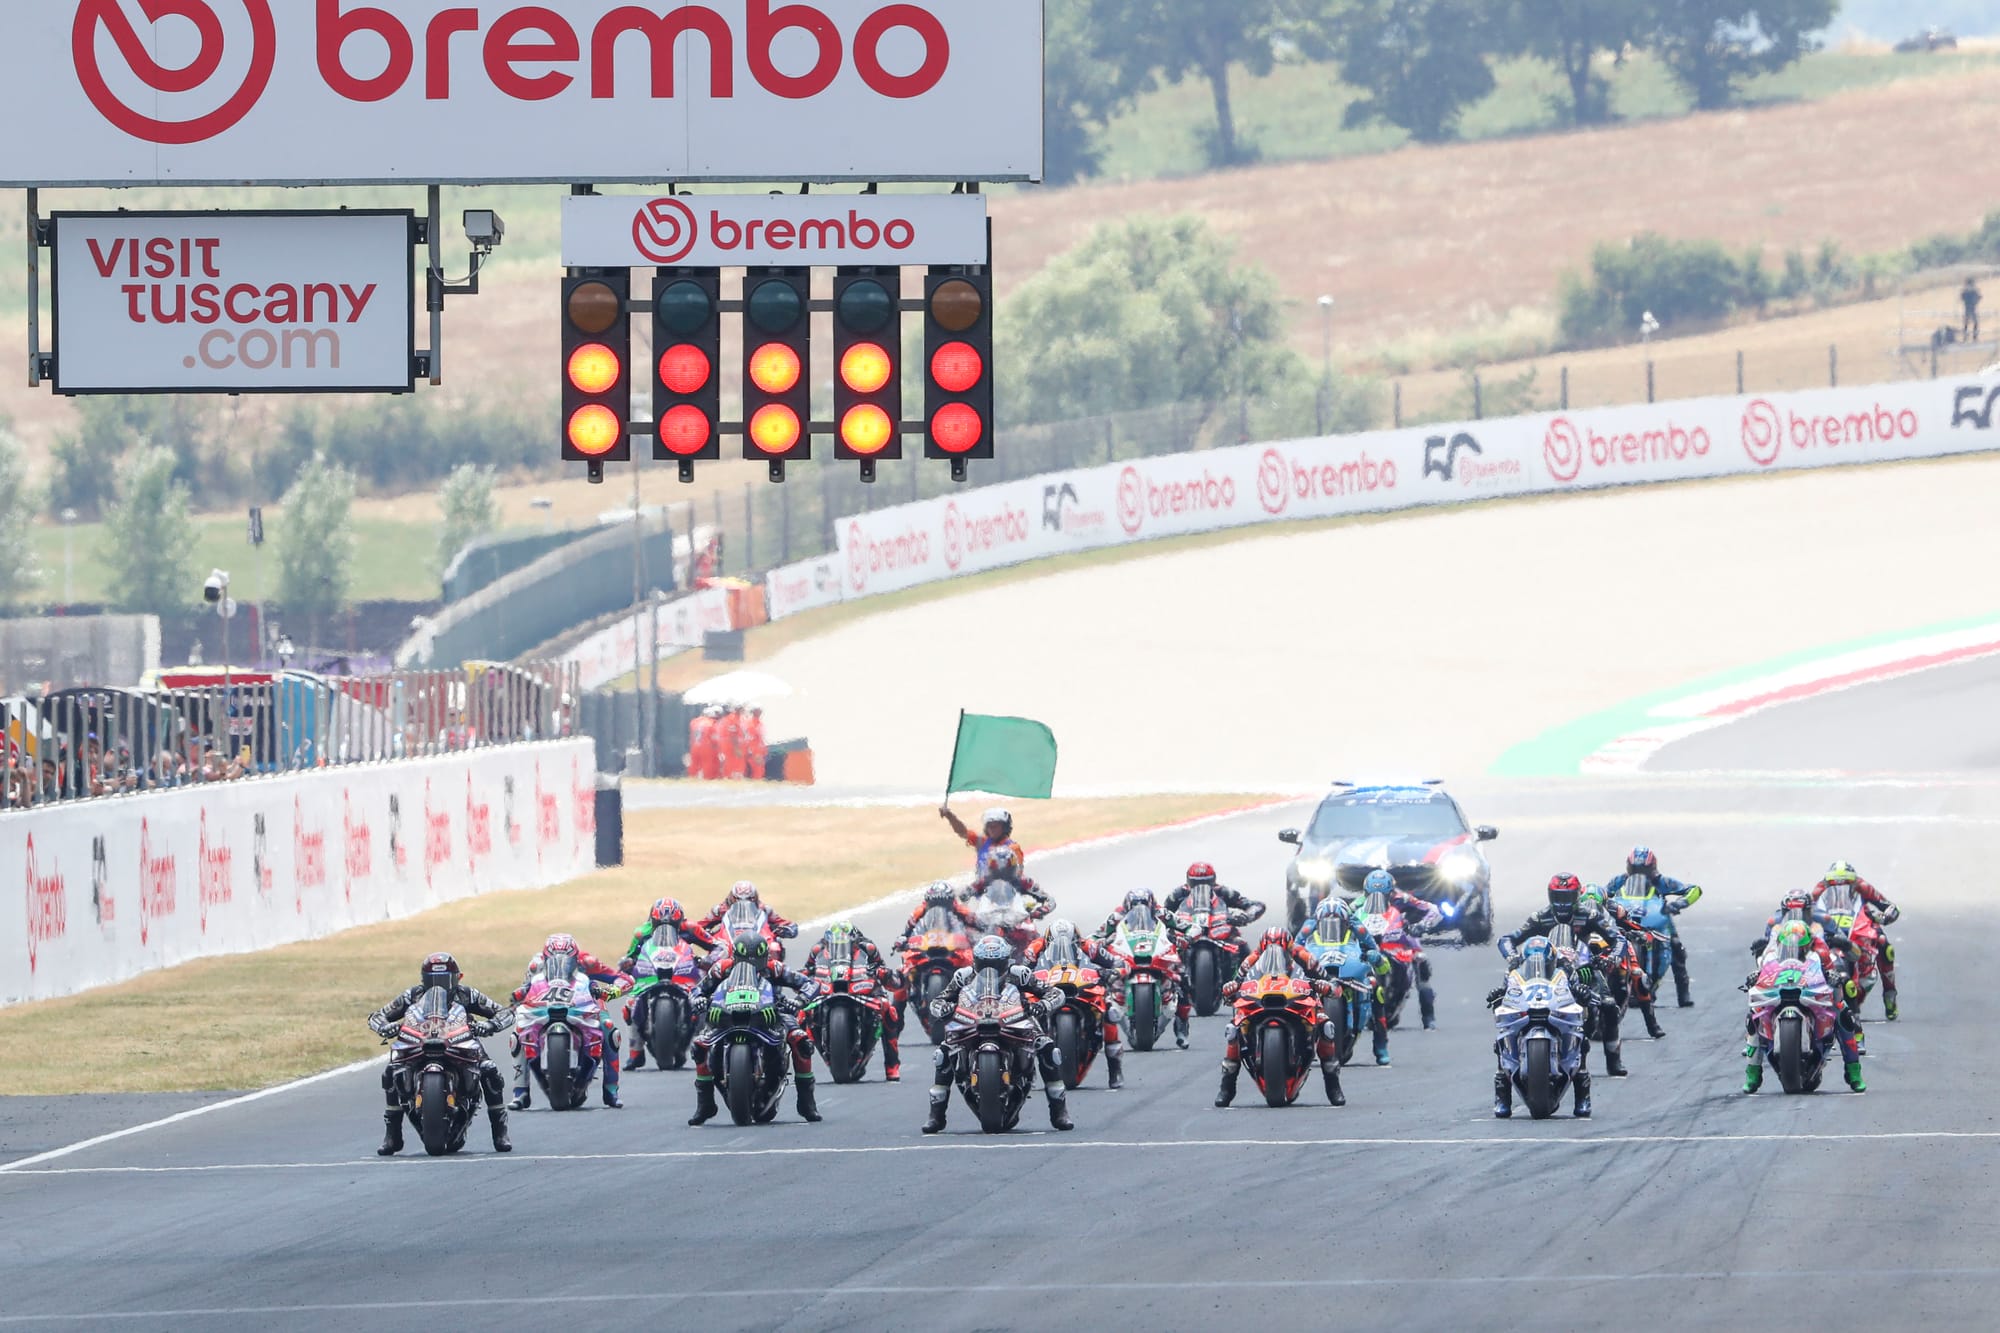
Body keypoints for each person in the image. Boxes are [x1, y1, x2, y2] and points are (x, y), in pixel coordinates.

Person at [923, 936, 1075, 1133]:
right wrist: (944, 1008)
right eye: (985, 963)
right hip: (973, 1020)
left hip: (1016, 1019)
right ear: (976, 960)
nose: (990, 968)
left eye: (995, 963)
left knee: (1047, 1048)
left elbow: (1055, 993)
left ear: (1006, 961)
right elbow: (938, 1000)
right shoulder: (963, 976)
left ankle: (1059, 1111)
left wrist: (1041, 1005)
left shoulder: (1020, 975)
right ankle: (936, 1115)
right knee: (943, 1053)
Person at [368, 953, 514, 1155]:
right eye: (432, 979)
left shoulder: (468, 995)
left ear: (457, 978)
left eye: (444, 979)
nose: (438, 984)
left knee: (489, 1070)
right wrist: (386, 1027)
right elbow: (378, 1015)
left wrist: (489, 1025)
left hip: (461, 1041)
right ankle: (392, 1135)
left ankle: (499, 1132)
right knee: (391, 1071)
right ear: (423, 979)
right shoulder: (413, 995)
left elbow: (504, 1012)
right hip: (421, 1041)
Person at [687, 935, 825, 1124]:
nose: (751, 964)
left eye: (756, 960)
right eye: (745, 959)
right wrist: (699, 1000)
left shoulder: (775, 968)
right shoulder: (721, 969)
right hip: (728, 1014)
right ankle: (705, 1104)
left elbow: (810, 984)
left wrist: (799, 1001)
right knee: (699, 1046)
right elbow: (696, 989)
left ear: (765, 957)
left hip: (770, 1013)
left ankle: (806, 1103)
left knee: (801, 1041)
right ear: (735, 957)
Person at [1215, 928, 1345, 1109]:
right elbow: (1236, 983)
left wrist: (1327, 986)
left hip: (1298, 998)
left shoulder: (1304, 956)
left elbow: (1332, 983)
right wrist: (1231, 988)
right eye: (1268, 949)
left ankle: (1333, 1086)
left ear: (1289, 949)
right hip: (1261, 997)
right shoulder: (1252, 959)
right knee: (1233, 1030)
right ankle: (1227, 1087)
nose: (1274, 954)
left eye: (1281, 950)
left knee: (1326, 1027)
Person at [508, 933, 632, 1110]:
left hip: (586, 1004)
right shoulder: (536, 965)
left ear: (576, 958)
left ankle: (611, 1091)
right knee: (518, 1032)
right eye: (553, 959)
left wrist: (609, 992)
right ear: (545, 957)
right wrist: (518, 996)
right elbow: (528, 988)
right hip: (546, 1005)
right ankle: (520, 1092)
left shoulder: (588, 962)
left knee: (609, 1030)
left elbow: (623, 979)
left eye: (568, 959)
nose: (560, 963)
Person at [1743, 920, 1865, 1094]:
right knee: (1754, 1015)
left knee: (1843, 1013)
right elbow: (1763, 972)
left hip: (1810, 992)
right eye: (1788, 945)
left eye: (1800, 946)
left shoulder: (1821, 952)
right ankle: (1753, 1073)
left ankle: (1853, 1071)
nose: (1794, 949)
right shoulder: (1770, 954)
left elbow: (1834, 971)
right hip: (1780, 991)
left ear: (1808, 944)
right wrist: (1755, 976)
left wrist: (1834, 976)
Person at [1022, 918, 1131, 1089]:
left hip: (1081, 985)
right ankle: (1026, 1072)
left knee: (1109, 1012)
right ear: (1048, 940)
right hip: (1047, 987)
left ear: (1077, 941)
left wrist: (1112, 972)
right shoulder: (1035, 947)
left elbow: (1118, 963)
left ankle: (1115, 1068)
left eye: (1072, 943)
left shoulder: (1089, 946)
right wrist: (1025, 980)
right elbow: (1023, 969)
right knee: (1022, 1017)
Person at [1489, 937, 1591, 1118]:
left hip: (1554, 1009)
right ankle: (1502, 1097)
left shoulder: (1566, 970)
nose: (1537, 964)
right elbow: (1506, 992)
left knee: (1581, 1039)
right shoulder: (1513, 971)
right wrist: (1497, 995)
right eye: (1531, 960)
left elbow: (1578, 993)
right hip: (1526, 1009)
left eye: (1543, 960)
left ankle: (1583, 1097)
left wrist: (1583, 994)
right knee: (1501, 1041)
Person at [618, 897, 718, 1071]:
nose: (666, 928)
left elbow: (718, 946)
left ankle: (707, 1048)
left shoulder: (691, 928)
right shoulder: (641, 933)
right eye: (659, 924)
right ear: (652, 921)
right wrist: (628, 963)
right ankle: (636, 1053)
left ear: (680, 921)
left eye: (672, 924)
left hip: (683, 970)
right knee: (630, 1005)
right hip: (652, 972)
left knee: (706, 1001)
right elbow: (630, 955)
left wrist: (707, 960)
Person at [801, 921, 907, 1081]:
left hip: (862, 986)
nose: (840, 947)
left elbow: (882, 969)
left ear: (854, 941)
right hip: (828, 986)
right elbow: (807, 970)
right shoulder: (818, 949)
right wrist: (804, 977)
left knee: (888, 1009)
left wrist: (883, 973)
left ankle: (892, 1066)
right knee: (800, 1014)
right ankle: (801, 1071)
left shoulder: (868, 948)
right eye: (835, 944)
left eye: (844, 944)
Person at [1602, 846, 1701, 1008]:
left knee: (1676, 947)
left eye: (1643, 869)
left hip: (1654, 918)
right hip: (1626, 917)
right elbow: (1603, 893)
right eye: (1635, 869)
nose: (1639, 873)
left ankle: (1683, 994)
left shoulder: (1661, 882)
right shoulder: (1619, 881)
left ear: (1652, 868)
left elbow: (1694, 890)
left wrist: (1678, 904)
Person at [1298, 897, 1392, 1064]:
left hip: (1350, 971)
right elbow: (1293, 948)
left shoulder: (1358, 927)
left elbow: (1380, 960)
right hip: (1318, 973)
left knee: (1376, 989)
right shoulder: (1308, 926)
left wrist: (1375, 957)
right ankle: (1298, 1046)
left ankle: (1381, 1046)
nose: (1332, 928)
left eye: (1338, 924)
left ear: (1346, 922)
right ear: (1318, 922)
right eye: (1326, 924)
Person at [1353, 867, 1443, 1032]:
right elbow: (1344, 913)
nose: (1376, 898)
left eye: (1382, 895)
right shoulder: (1359, 902)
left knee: (1421, 961)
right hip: (1371, 938)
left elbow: (1433, 910)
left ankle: (1428, 1018)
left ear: (1390, 892)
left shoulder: (1403, 898)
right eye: (1371, 894)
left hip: (1400, 936)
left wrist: (1422, 925)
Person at [1813, 861, 1900, 1020]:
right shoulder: (1820, 887)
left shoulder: (1863, 886)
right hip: (1829, 925)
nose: (1841, 887)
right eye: (1834, 884)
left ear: (1853, 882)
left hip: (1858, 922)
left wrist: (1884, 916)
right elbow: (1804, 906)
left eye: (1847, 883)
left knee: (1883, 943)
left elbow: (1888, 906)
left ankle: (1890, 994)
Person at [1163, 861, 1265, 978]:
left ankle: (1252, 979)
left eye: (1206, 882)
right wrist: (1167, 923)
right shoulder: (1179, 893)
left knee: (1240, 943)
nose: (1201, 886)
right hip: (1188, 929)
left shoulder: (1223, 891)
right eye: (1196, 882)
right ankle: (1166, 982)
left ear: (1213, 880)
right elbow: (1163, 910)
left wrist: (1245, 916)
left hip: (1217, 927)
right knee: (1165, 947)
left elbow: (1256, 905)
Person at [696, 880, 801, 942]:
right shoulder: (719, 910)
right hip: (729, 942)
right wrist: (703, 933)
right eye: (738, 899)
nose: (743, 902)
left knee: (775, 946)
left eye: (749, 899)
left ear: (754, 897)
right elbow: (699, 926)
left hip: (758, 942)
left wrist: (787, 929)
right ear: (732, 897)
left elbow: (785, 923)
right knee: (710, 957)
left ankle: (779, 972)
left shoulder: (765, 909)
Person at [940, 805, 1026, 878]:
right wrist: (950, 816)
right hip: (982, 888)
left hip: (1006, 889)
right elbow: (962, 832)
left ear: (1005, 827)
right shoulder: (981, 841)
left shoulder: (1013, 848)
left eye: (995, 826)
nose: (992, 829)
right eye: (989, 826)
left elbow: (1019, 873)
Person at [891, 882, 983, 950]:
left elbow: (980, 926)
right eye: (934, 903)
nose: (939, 908)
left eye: (944, 903)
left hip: (955, 947)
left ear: (952, 902)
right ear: (927, 902)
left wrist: (978, 938)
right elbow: (906, 933)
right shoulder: (918, 912)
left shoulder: (961, 910)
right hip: (925, 947)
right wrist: (901, 940)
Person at [686, 708, 717, 781]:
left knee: (694, 764)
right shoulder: (711, 722)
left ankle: (692, 778)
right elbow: (714, 738)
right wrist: (716, 747)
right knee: (707, 764)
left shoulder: (694, 722)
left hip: (695, 746)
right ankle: (707, 778)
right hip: (706, 747)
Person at [717, 706, 747, 781]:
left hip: (738, 747)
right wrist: (736, 748)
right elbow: (733, 734)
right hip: (732, 748)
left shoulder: (741, 718)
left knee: (738, 770)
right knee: (733, 770)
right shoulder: (732, 718)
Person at [744, 707, 768, 781]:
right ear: (753, 711)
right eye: (757, 710)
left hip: (760, 751)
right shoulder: (749, 724)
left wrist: (764, 750)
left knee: (760, 771)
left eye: (760, 710)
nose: (759, 712)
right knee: (756, 771)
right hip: (753, 751)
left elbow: (761, 738)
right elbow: (747, 738)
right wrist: (750, 751)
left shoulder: (759, 723)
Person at [1964, 276, 1983, 342]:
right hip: (1970, 308)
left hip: (1970, 308)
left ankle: (1971, 337)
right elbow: (1979, 297)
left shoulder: (1967, 291)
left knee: (1970, 323)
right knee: (1969, 323)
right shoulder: (1970, 291)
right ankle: (1970, 337)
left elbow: (1979, 297)